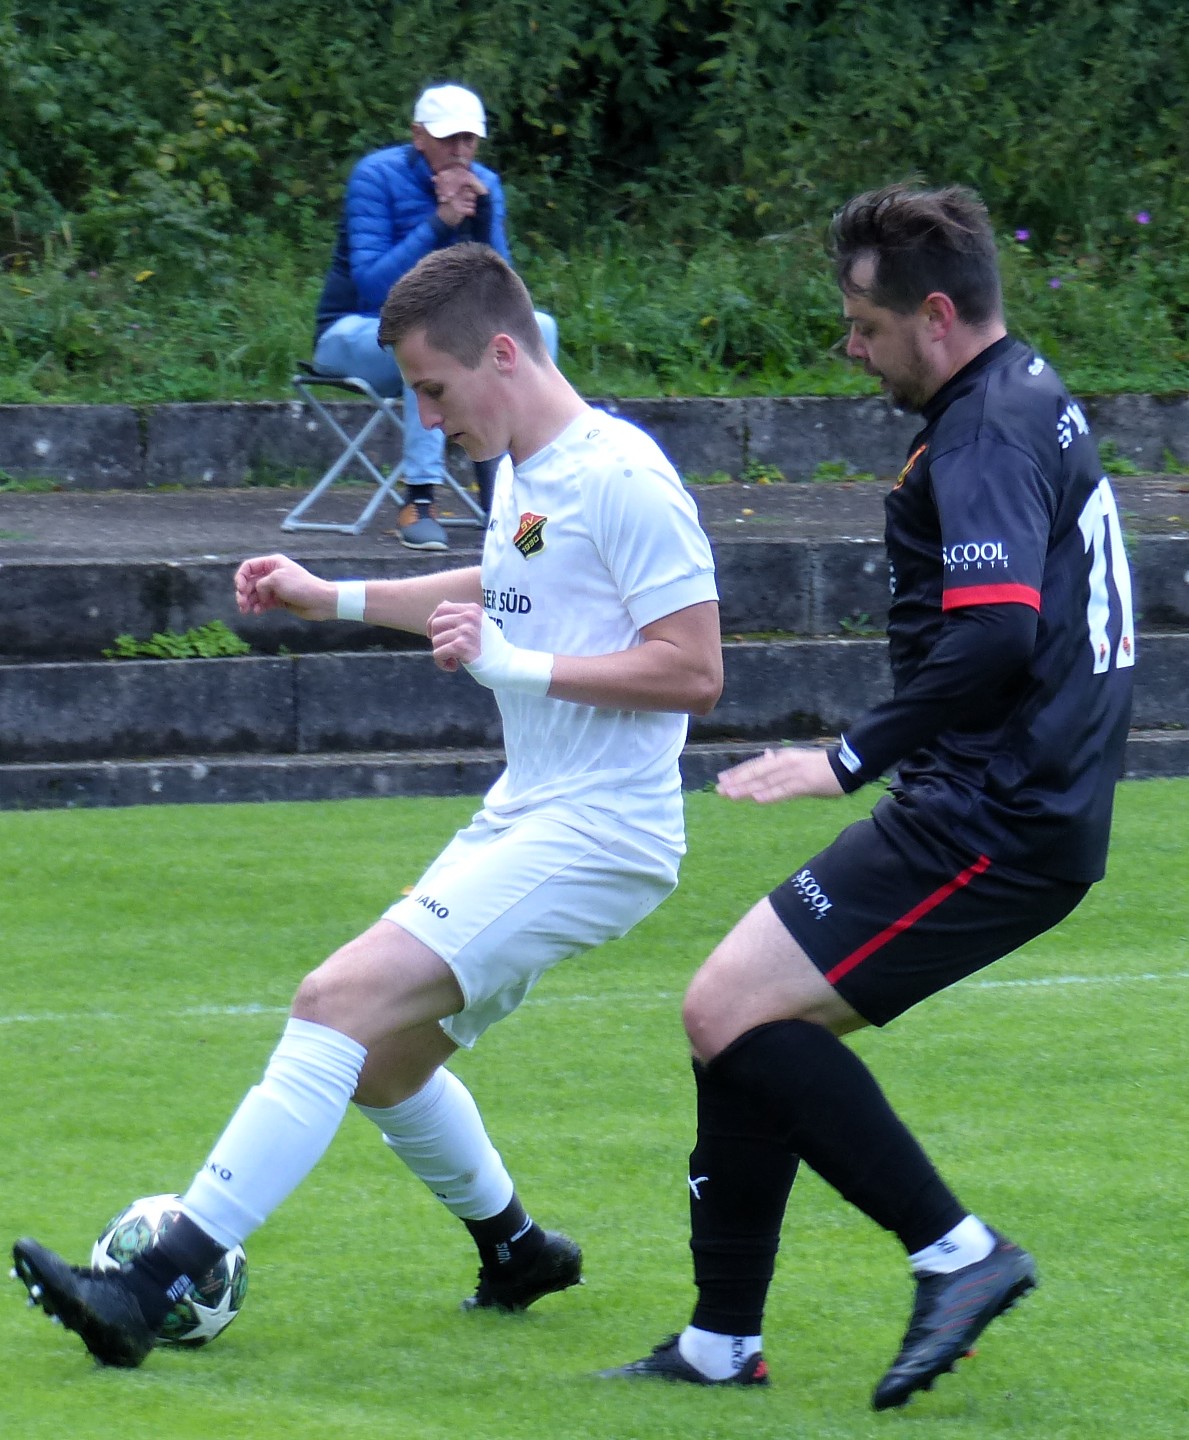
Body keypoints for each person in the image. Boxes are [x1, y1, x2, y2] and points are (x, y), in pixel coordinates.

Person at [12, 242, 722, 1368]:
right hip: (533, 808)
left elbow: (694, 669)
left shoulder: (622, 477)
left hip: (601, 830)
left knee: (335, 1000)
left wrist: (515, 667)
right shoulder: (527, 472)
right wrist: (327, 594)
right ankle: (517, 1249)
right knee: (386, 1061)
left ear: (503, 353)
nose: (427, 422)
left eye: (433, 391)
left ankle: (146, 1287)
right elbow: (504, 582)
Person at [600, 183, 1136, 1410]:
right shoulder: (1026, 392)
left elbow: (996, 632)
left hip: (993, 814)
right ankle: (719, 1342)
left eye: (865, 324)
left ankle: (956, 1252)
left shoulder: (985, 429)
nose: (850, 348)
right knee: (738, 1021)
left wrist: (846, 758)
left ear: (935, 315)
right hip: (1011, 798)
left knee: (727, 1010)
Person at [311, 82, 559, 549]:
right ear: (418, 135)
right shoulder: (375, 176)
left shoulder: (485, 185)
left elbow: (502, 294)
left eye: (469, 139)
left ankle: (519, 491)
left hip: (438, 333)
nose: (461, 151)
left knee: (536, 328)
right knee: (426, 337)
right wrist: (440, 221)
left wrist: (481, 215)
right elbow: (373, 287)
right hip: (352, 332)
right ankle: (419, 499)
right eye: (449, 139)